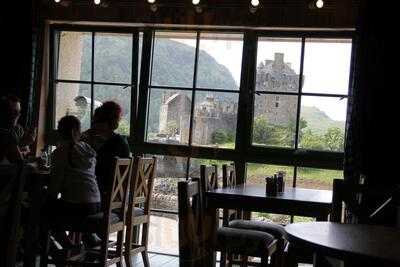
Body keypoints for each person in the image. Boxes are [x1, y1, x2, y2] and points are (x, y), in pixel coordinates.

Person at [46, 115, 101, 229]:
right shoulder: (87, 148)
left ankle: (66, 244)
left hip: (77, 205)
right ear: (77, 131)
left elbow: (55, 186)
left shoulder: (60, 152)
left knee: (43, 210)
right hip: (96, 202)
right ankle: (83, 240)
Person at [81, 101, 131, 194]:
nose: (94, 125)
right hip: (117, 193)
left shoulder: (111, 143)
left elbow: (96, 167)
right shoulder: (121, 140)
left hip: (101, 191)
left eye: (96, 121)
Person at [0, 96, 23, 164]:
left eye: (19, 111)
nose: (18, 115)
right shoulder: (7, 134)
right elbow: (19, 163)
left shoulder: (17, 129)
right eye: (14, 111)